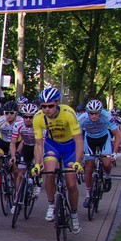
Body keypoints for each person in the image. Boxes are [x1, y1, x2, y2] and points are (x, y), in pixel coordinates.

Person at [31, 87, 84, 233]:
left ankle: (74, 215)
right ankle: (51, 205)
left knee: (71, 184)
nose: (47, 109)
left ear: (57, 103)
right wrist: (37, 164)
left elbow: (79, 140)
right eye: (43, 106)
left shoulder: (68, 113)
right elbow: (38, 144)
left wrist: (78, 161)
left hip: (70, 146)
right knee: (49, 173)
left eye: (50, 106)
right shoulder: (38, 117)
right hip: (52, 145)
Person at [77, 99, 121, 204]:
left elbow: (117, 135)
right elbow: (77, 136)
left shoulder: (107, 116)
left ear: (101, 112)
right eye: (91, 113)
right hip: (89, 139)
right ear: (87, 112)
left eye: (97, 113)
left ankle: (107, 177)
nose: (94, 116)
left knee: (107, 163)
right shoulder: (82, 118)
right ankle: (88, 195)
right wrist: (80, 152)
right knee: (89, 168)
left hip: (104, 138)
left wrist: (115, 153)